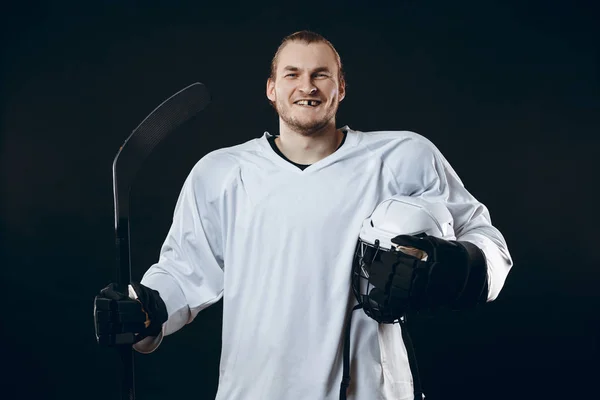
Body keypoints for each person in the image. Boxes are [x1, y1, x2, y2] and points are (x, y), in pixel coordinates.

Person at [95, 30, 513, 400]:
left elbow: (487, 243)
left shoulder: (404, 157)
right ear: (272, 89)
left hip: (370, 390)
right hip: (257, 389)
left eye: (321, 74)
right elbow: (184, 272)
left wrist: (459, 266)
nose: (306, 86)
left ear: (341, 88)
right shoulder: (221, 172)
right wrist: (144, 308)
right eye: (292, 74)